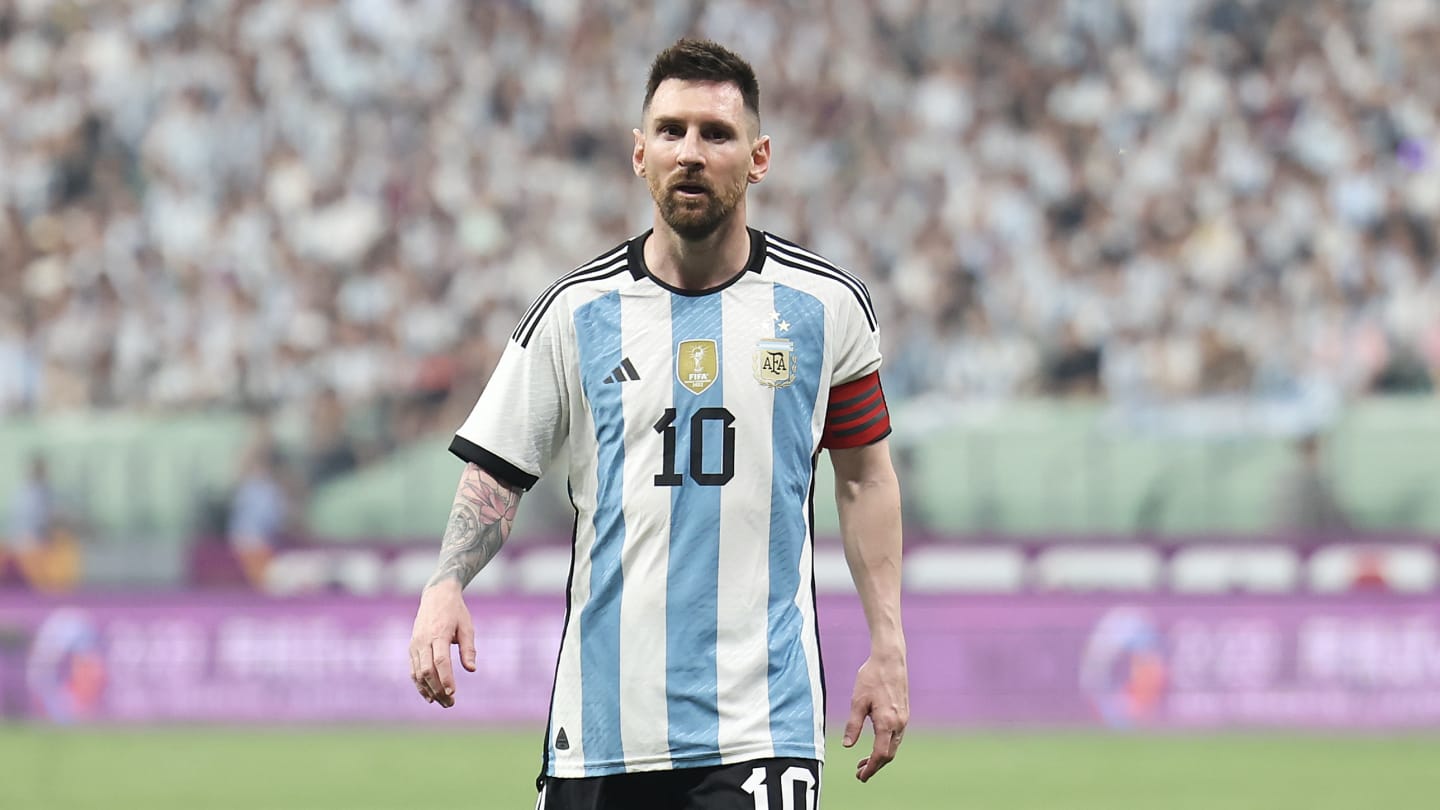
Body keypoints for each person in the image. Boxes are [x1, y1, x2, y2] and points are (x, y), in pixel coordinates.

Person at [409, 39, 908, 810]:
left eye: (717, 133)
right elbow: (498, 472)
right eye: (671, 131)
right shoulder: (574, 312)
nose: (691, 152)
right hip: (601, 730)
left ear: (760, 158)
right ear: (640, 153)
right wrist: (446, 584)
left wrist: (888, 646)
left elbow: (866, 478)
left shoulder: (825, 307)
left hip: (761, 725)